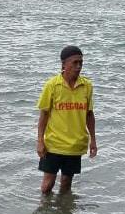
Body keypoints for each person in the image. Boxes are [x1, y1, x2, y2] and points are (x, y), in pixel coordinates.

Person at [36, 45, 97, 195]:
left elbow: (89, 114)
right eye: (74, 63)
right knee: (47, 185)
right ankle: (45, 213)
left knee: (66, 185)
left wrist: (93, 140)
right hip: (54, 144)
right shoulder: (52, 85)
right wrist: (40, 140)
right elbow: (44, 114)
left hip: (75, 145)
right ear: (64, 64)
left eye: (81, 63)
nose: (78, 67)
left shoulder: (86, 86)